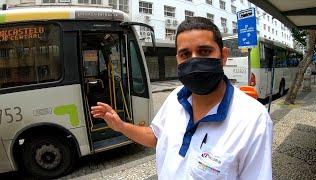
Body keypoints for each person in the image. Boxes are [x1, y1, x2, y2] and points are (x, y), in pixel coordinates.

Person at [91, 17, 273, 179]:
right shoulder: (174, 98)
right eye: (185, 54)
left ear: (223, 56)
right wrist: (121, 126)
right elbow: (156, 137)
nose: (194, 61)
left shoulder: (253, 119)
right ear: (177, 58)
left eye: (204, 52)